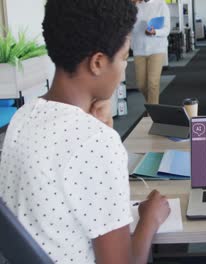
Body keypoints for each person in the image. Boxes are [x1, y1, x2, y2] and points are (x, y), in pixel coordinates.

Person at [0, 0, 170, 263]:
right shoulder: (96, 143)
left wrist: (99, 132)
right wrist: (150, 219)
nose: (125, 66)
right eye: (125, 58)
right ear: (98, 63)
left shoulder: (22, 117)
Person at [131, 0, 171, 104]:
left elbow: (167, 29)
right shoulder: (134, 5)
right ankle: (153, 105)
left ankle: (152, 113)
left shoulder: (161, 5)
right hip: (139, 49)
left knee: (153, 83)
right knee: (141, 85)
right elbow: (128, 27)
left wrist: (155, 32)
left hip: (157, 48)